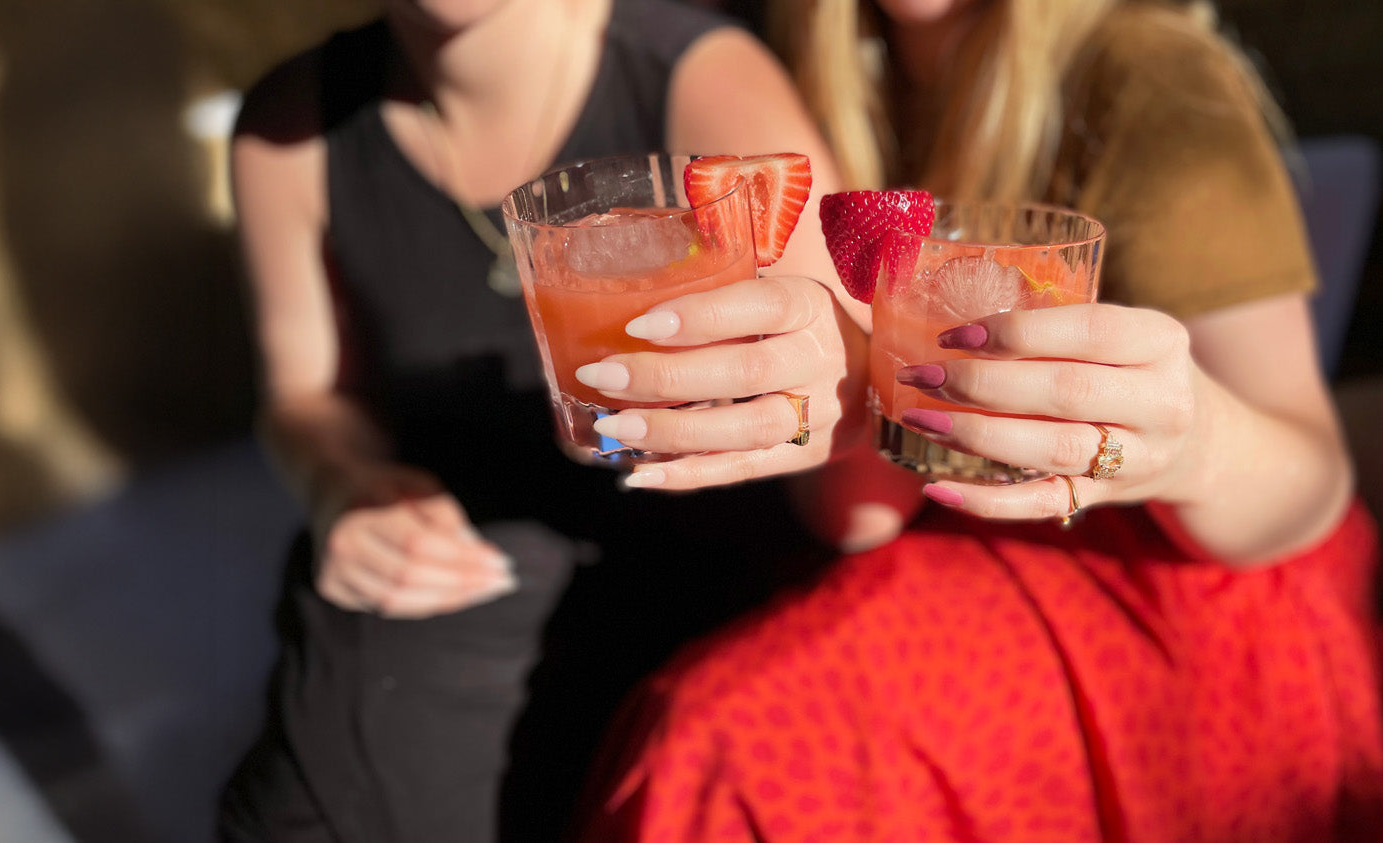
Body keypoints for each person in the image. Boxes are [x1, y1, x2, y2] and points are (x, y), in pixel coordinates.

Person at [573, 0, 1383, 839]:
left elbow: (1312, 483)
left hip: (1187, 585)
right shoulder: (804, 68)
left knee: (723, 736)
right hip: (950, 540)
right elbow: (858, 513)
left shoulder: (1149, 77)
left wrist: (1196, 443)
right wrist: (852, 383)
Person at [214, 0, 869, 840]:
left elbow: (839, 387)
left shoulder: (694, 72)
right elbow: (305, 396)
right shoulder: (289, 127)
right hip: (460, 560)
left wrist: (797, 401)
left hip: (683, 558)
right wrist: (344, 486)